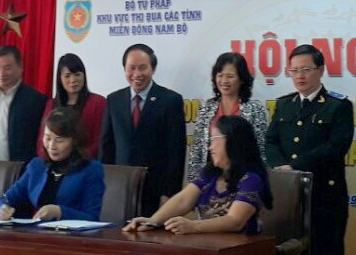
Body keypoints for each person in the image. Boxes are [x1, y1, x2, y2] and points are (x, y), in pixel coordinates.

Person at [266, 44, 353, 255]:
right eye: (294, 70)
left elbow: (336, 147)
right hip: (293, 205)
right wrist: (280, 167)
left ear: (320, 70)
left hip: (326, 201)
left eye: (306, 69)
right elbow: (271, 141)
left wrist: (294, 167)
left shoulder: (338, 105)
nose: (300, 76)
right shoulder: (284, 104)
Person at [124, 115, 273, 235]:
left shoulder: (251, 178)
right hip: (206, 247)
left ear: (232, 141)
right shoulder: (209, 175)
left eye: (214, 140)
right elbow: (182, 200)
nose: (210, 147)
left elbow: (235, 221)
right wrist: (153, 221)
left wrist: (193, 226)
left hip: (240, 251)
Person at [99, 43, 186, 215]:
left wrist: (169, 194)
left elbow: (176, 152)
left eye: (142, 68)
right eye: (131, 68)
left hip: (156, 191)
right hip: (119, 190)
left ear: (153, 69)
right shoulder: (114, 100)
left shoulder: (170, 100)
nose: (137, 74)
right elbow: (106, 147)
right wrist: (103, 186)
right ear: (124, 69)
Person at [0, 108, 105, 221]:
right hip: (36, 230)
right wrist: (2, 208)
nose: (52, 146)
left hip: (70, 232)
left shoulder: (91, 169)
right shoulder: (36, 165)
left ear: (74, 141)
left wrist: (59, 212)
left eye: (59, 140)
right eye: (47, 138)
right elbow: (6, 198)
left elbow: (92, 218)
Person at [187, 52, 267, 182]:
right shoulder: (206, 109)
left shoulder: (255, 109)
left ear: (242, 79)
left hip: (243, 178)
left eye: (230, 76)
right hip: (210, 178)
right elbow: (196, 151)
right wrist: (193, 182)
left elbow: (260, 150)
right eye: (220, 75)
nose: (224, 81)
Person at [37, 53, 106, 157]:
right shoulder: (51, 104)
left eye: (77, 74)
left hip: (85, 161)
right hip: (54, 162)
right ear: (60, 78)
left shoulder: (98, 102)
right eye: (67, 76)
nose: (72, 80)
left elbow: (99, 140)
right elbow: (42, 139)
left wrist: (79, 159)